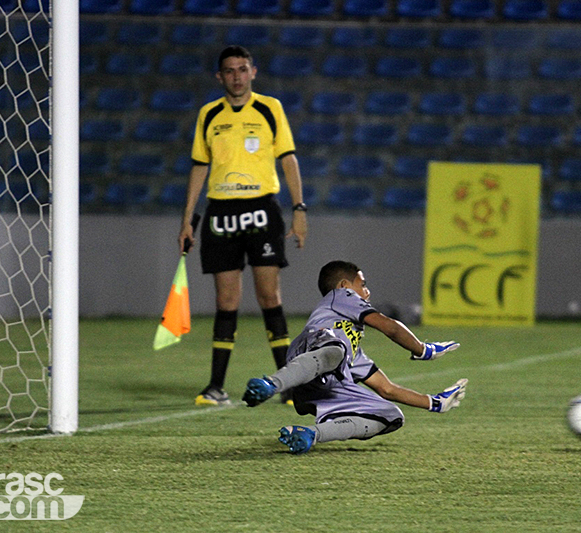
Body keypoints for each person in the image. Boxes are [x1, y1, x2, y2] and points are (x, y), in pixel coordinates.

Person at [179, 45, 308, 406]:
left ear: (253, 72)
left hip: (261, 210)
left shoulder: (270, 108)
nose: (236, 76)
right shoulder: (209, 114)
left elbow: (288, 159)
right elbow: (199, 166)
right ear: (219, 77)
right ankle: (215, 387)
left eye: (242, 69)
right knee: (226, 300)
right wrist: (187, 219)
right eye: (229, 71)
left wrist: (299, 209)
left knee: (269, 296)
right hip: (220, 212)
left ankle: (287, 384)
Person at [241, 260, 468, 455]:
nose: (367, 292)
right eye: (363, 284)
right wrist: (423, 349)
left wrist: (434, 403)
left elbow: (387, 389)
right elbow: (390, 327)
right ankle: (271, 384)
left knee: (391, 416)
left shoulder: (353, 351)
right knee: (335, 350)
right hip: (309, 350)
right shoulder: (340, 296)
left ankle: (310, 434)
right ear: (344, 285)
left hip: (318, 382)